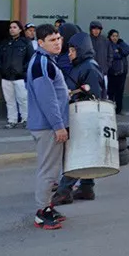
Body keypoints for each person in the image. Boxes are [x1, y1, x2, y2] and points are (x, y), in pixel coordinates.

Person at [54, 30, 107, 205]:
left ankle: (64, 191)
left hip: (84, 117)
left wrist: (73, 96)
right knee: (84, 153)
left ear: (81, 49)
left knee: (76, 154)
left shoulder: (89, 67)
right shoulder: (82, 66)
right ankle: (86, 187)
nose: (69, 54)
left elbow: (93, 95)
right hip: (81, 116)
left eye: (72, 50)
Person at [26, 24, 69, 230]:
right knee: (48, 171)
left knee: (53, 169)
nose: (58, 43)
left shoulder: (46, 61)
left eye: (59, 38)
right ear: (40, 42)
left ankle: (48, 207)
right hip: (47, 127)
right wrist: (58, 126)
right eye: (52, 40)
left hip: (48, 125)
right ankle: (41, 213)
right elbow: (47, 99)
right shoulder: (42, 63)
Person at [0, 20, 33, 128]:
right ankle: (12, 120)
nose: (12, 29)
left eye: (14, 27)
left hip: (19, 76)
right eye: (10, 27)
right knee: (9, 100)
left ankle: (26, 119)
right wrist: (1, 68)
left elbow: (30, 58)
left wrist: (23, 70)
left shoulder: (25, 42)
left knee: (23, 99)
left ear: (20, 29)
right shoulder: (5, 43)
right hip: (6, 76)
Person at [105, 29, 129, 111]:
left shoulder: (120, 43)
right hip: (112, 72)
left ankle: (119, 109)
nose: (115, 38)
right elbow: (113, 55)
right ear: (110, 36)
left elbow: (128, 50)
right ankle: (110, 109)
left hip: (122, 72)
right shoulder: (107, 44)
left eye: (116, 36)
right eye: (113, 36)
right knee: (111, 92)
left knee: (120, 92)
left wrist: (120, 48)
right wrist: (120, 53)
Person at [88, 22, 112, 99]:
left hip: (103, 72)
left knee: (104, 92)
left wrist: (107, 66)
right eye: (94, 28)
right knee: (91, 92)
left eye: (98, 29)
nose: (96, 31)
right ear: (91, 30)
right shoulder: (87, 40)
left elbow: (110, 54)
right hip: (90, 72)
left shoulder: (105, 40)